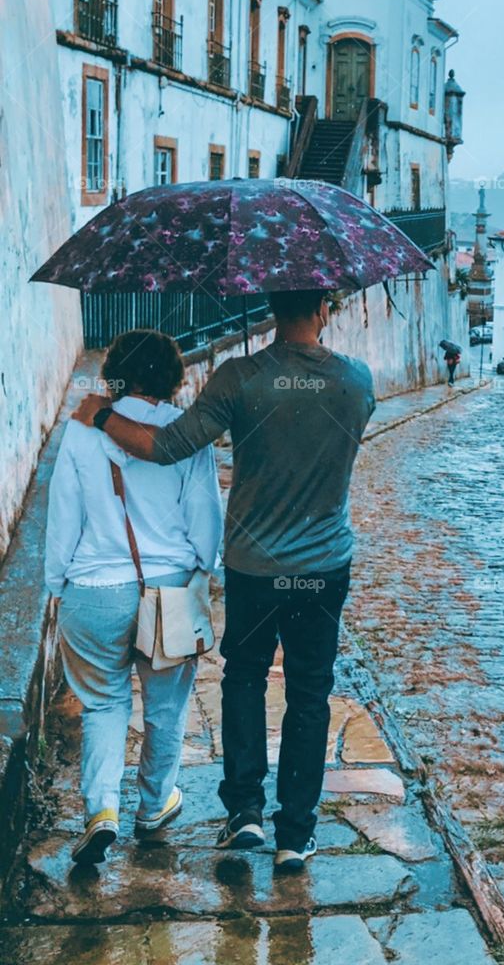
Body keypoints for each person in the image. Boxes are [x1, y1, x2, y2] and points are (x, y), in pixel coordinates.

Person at [73, 290, 376, 873]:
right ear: (324, 309)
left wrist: (103, 414)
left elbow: (164, 448)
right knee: (310, 694)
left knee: (243, 680)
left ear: (270, 305)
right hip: (322, 568)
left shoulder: (239, 378)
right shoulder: (356, 380)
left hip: (254, 568)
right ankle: (295, 834)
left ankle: (244, 816)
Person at [46, 330, 223, 866]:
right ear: (174, 378)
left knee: (103, 703)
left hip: (93, 590)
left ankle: (101, 811)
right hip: (168, 590)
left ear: (115, 376)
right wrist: (199, 574)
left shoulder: (81, 430)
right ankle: (153, 807)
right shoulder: (187, 433)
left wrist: (59, 586)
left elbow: (62, 518)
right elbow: (206, 522)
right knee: (166, 709)